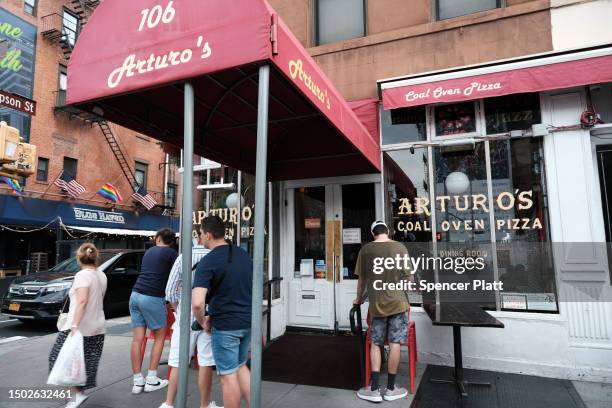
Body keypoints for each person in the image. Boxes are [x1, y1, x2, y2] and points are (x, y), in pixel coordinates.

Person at [192, 216, 253, 408]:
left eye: (200, 234)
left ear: (208, 234)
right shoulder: (243, 254)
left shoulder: (207, 262)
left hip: (225, 325)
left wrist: (203, 322)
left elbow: (197, 304)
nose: (199, 238)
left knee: (228, 376)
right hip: (246, 321)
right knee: (241, 365)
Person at [159, 227, 222, 408]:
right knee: (206, 361)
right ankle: (205, 404)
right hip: (209, 315)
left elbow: (170, 292)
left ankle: (169, 403)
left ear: (198, 237)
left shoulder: (183, 258)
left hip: (186, 314)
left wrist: (179, 310)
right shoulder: (216, 258)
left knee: (178, 361)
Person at [354, 221, 411, 403]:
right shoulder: (400, 247)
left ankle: (374, 390)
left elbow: (362, 281)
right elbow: (409, 278)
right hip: (398, 303)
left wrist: (358, 299)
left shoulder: (366, 250)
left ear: (373, 233)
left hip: (377, 305)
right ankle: (392, 389)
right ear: (388, 231)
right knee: (395, 343)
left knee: (376, 343)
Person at [49, 243, 107, 408]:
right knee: (86, 362)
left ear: (79, 258)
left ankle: (77, 395)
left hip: (80, 326)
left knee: (58, 357)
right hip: (98, 325)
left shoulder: (82, 275)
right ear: (95, 257)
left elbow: (82, 301)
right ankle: (79, 394)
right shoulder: (102, 275)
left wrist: (74, 325)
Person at [129, 228, 178, 394]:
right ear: (171, 241)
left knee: (137, 339)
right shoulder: (171, 254)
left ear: (158, 238)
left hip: (135, 294)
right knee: (159, 337)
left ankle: (137, 382)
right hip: (153, 297)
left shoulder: (149, 251)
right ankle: (151, 379)